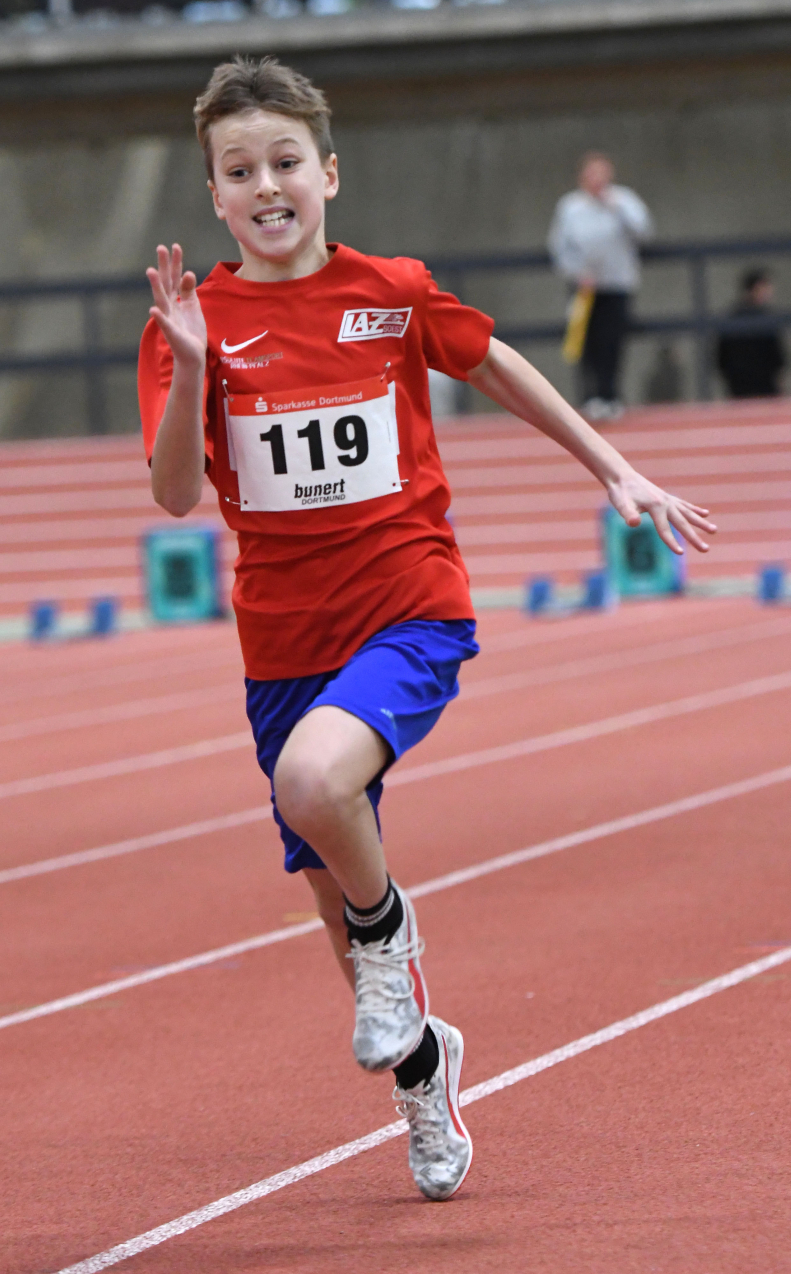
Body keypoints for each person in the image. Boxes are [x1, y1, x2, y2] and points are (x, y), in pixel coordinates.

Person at [138, 57, 715, 1203]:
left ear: (328, 173)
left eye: (285, 162)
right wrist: (195, 363)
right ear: (213, 193)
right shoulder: (194, 321)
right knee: (331, 895)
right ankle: (423, 1072)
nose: (266, 184)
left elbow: (492, 361)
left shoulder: (389, 291)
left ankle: (391, 945)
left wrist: (615, 467)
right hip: (282, 642)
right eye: (238, 168)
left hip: (406, 601)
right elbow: (170, 498)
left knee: (316, 786)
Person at [548, 151, 654, 422]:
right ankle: (590, 397)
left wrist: (615, 207)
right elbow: (559, 246)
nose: (596, 180)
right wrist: (575, 272)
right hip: (584, 287)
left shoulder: (624, 200)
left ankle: (611, 395)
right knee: (585, 342)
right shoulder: (570, 206)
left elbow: (643, 232)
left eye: (601, 174)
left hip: (617, 284)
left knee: (613, 341)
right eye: (591, 174)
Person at [716, 267, 786, 398]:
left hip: (738, 389)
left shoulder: (730, 318)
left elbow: (721, 361)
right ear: (755, 289)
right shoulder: (767, 319)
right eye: (765, 288)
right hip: (765, 389)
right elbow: (776, 358)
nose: (769, 293)